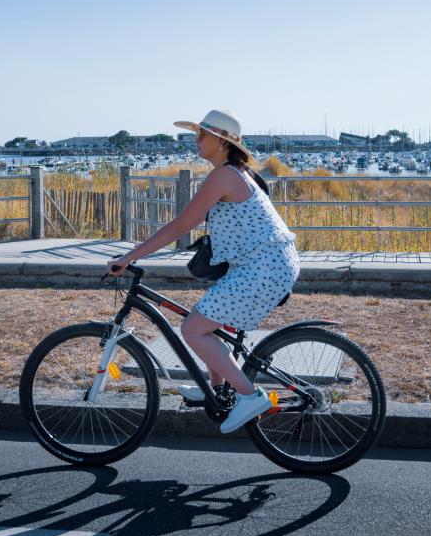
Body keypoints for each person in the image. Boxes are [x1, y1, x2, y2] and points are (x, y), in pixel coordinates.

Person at [107, 109, 300, 434]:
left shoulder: (224, 176)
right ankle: (218, 389)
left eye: (201, 135)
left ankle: (250, 396)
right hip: (267, 263)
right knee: (210, 323)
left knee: (194, 329)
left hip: (263, 267)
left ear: (221, 142)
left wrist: (130, 256)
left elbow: (181, 225)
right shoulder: (239, 172)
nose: (195, 139)